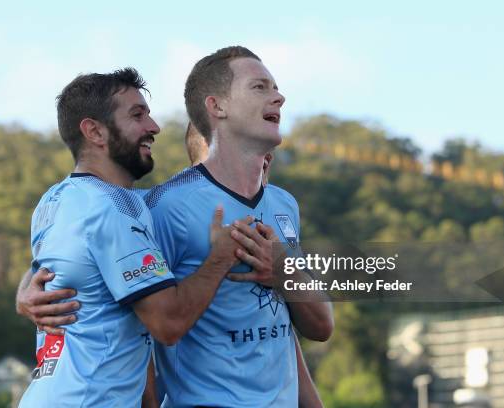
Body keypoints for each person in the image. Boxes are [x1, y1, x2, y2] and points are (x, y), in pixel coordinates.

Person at [18, 120, 326, 407]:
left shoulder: (283, 204)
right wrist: (28, 286)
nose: (257, 159)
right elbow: (141, 311)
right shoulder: (160, 209)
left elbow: (285, 326)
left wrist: (287, 273)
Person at [17, 68, 254, 407]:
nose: (154, 127)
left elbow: (53, 271)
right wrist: (220, 257)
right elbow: (168, 323)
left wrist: (22, 292)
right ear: (95, 131)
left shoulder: (55, 200)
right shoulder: (112, 208)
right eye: (137, 115)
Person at [144, 46, 334, 407]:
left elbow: (315, 328)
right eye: (259, 87)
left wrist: (282, 272)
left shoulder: (284, 205)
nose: (279, 96)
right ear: (217, 107)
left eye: (275, 87)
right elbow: (132, 331)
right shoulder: (166, 206)